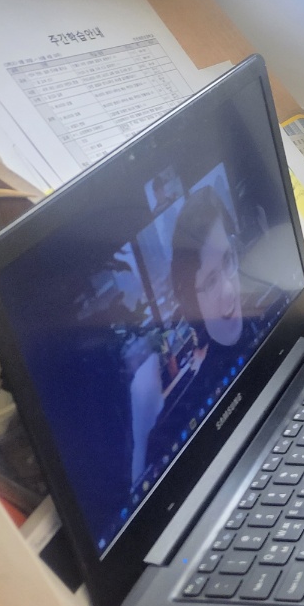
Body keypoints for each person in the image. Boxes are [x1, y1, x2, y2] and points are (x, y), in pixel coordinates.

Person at [129, 186, 249, 479]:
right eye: (210, 281)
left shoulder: (272, 328)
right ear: (191, 301)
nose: (228, 290)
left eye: (228, 261)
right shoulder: (185, 411)